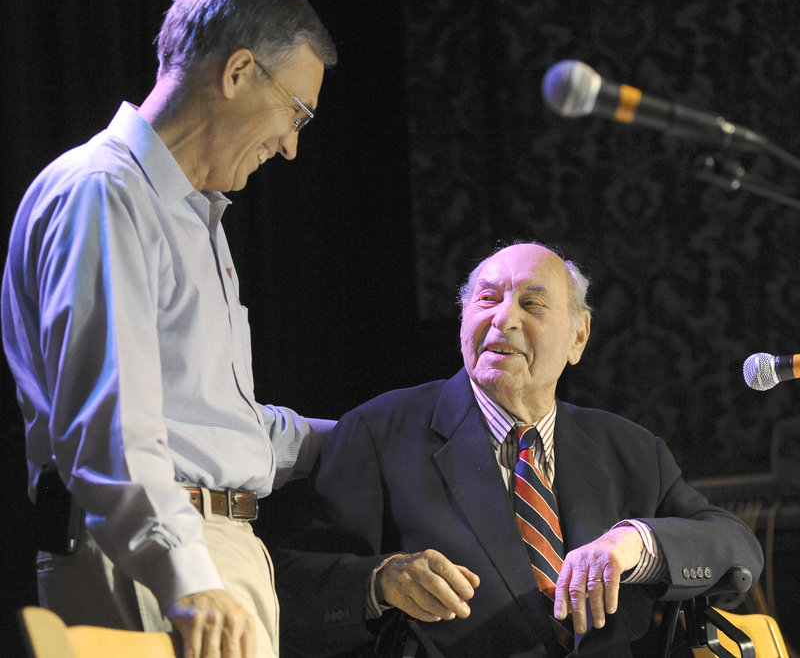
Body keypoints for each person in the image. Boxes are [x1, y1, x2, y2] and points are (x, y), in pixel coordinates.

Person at [1, 0, 336, 657]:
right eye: (296, 113)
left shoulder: (191, 215)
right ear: (240, 72)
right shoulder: (104, 194)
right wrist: (187, 577)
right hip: (159, 563)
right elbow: (112, 427)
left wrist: (373, 434)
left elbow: (209, 424)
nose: (292, 144)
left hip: (206, 555)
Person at [273, 242, 764, 657]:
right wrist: (379, 582)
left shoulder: (630, 448)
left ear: (579, 336)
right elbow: (292, 588)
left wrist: (637, 543)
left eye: (532, 305)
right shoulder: (378, 432)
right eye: (487, 300)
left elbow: (737, 550)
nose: (503, 319)